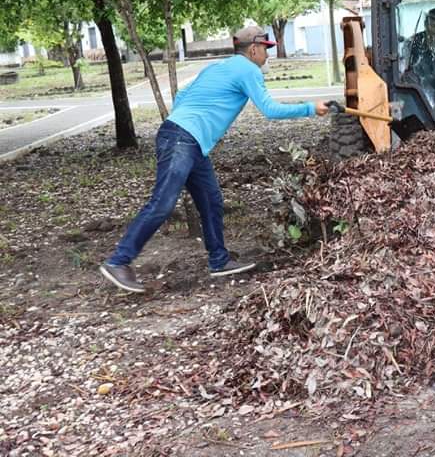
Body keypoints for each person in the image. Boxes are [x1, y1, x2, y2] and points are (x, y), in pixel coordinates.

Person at [99, 26, 330, 293]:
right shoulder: (248, 70)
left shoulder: (216, 68)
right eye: (266, 49)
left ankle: (219, 260)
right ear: (253, 49)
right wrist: (310, 108)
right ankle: (119, 261)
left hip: (188, 140)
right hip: (182, 140)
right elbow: (270, 110)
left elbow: (182, 97)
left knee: (211, 201)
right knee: (162, 203)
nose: (268, 55)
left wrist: (189, 121)